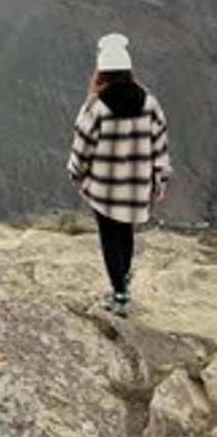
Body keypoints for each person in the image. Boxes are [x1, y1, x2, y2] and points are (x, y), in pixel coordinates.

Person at [67, 33, 172, 317]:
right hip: (137, 184)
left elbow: (82, 144)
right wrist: (159, 179)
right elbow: (160, 143)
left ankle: (120, 293)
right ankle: (123, 283)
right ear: (128, 71)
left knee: (109, 236)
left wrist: (76, 174)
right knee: (125, 232)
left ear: (101, 72)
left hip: (104, 185)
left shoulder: (96, 106)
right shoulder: (149, 103)